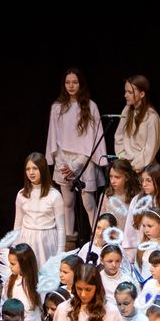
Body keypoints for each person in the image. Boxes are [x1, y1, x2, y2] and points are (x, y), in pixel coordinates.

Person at [48, 68, 106, 239]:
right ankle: (69, 237)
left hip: (84, 160)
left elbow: (93, 139)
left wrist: (78, 163)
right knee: (68, 201)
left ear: (81, 84)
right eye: (68, 82)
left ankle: (98, 237)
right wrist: (60, 163)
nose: (71, 86)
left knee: (88, 202)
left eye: (74, 82)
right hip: (64, 160)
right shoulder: (57, 107)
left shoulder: (90, 106)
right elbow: (53, 138)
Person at [13, 152, 66, 268]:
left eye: (35, 168)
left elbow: (61, 228)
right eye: (28, 169)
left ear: (42, 169)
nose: (31, 172)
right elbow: (17, 225)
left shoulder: (55, 195)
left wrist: (60, 253)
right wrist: (14, 248)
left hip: (46, 241)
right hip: (26, 239)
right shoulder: (21, 194)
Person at [114, 74, 160, 173]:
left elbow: (150, 149)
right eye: (125, 91)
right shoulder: (127, 110)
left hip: (143, 169)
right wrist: (123, 160)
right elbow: (119, 137)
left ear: (142, 94)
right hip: (126, 166)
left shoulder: (152, 117)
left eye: (130, 92)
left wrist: (133, 166)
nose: (125, 95)